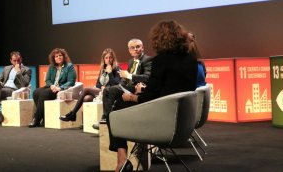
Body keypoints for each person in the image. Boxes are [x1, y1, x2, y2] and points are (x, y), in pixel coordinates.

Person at [109, 20, 198, 171]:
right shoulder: (191, 59)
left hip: (162, 118)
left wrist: (133, 97)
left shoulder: (160, 61)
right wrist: (146, 91)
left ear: (159, 39)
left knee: (117, 107)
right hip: (183, 119)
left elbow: (150, 98)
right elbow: (171, 88)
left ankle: (122, 160)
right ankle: (130, 160)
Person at [95, 38, 152, 127]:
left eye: (138, 47)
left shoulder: (147, 60)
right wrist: (120, 85)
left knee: (113, 89)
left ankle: (108, 118)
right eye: (132, 48)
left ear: (143, 48)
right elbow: (124, 79)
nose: (135, 49)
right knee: (107, 90)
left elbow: (147, 77)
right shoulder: (130, 62)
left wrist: (129, 76)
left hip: (137, 88)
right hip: (128, 87)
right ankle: (105, 117)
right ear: (129, 50)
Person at [59, 48, 122, 122]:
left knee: (86, 89)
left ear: (113, 58)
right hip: (101, 91)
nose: (108, 59)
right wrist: (101, 86)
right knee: (86, 98)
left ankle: (72, 114)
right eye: (106, 58)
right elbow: (97, 84)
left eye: (110, 57)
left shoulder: (117, 68)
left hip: (109, 93)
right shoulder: (102, 69)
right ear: (104, 59)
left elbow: (117, 84)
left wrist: (110, 72)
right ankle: (87, 122)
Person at [29, 48, 76, 128]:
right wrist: (51, 85)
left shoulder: (69, 66)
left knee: (44, 93)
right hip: (51, 87)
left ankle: (36, 119)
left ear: (64, 56)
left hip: (61, 89)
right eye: (56, 56)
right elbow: (47, 80)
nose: (58, 57)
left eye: (60, 55)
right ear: (54, 58)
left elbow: (71, 81)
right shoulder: (52, 67)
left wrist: (60, 88)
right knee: (36, 92)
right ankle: (44, 117)